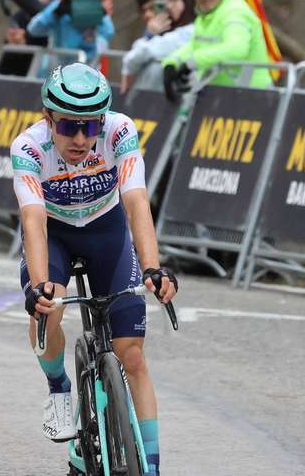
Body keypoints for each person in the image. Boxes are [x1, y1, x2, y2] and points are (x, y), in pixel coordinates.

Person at [10, 63, 178, 475]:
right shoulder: (28, 148)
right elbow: (33, 220)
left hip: (107, 233)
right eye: (68, 127)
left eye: (90, 126)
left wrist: (153, 268)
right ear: (49, 118)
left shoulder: (120, 131)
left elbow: (137, 200)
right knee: (51, 305)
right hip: (56, 238)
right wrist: (38, 286)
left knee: (132, 356)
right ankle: (59, 386)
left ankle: (151, 466)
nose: (82, 139)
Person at [161, 0, 273, 100]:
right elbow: (196, 45)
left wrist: (192, 62)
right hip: (222, 97)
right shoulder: (206, 14)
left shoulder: (235, 12)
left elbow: (236, 48)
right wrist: (171, 62)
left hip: (253, 97)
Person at [121, 0, 196, 94]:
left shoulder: (192, 30)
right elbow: (131, 59)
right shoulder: (163, 32)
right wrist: (149, 36)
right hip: (150, 100)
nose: (169, 6)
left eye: (174, 0)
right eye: (165, 2)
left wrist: (150, 36)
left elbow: (140, 55)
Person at [27, 0, 114, 67]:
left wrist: (94, 21)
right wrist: (55, 13)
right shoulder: (61, 7)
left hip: (85, 76)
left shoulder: (103, 20)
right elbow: (33, 29)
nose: (88, 1)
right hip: (53, 72)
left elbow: (97, 52)